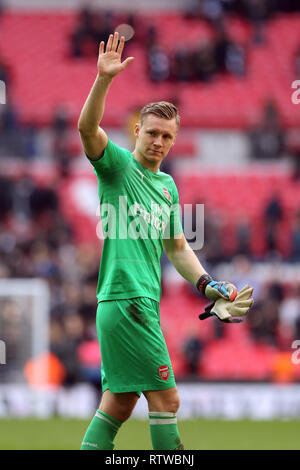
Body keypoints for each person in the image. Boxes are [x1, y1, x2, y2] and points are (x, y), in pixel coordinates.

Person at [78, 32, 241, 451]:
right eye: (151, 132)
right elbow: (86, 128)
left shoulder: (167, 185)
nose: (158, 142)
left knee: (118, 404)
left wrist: (208, 283)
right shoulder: (116, 167)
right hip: (125, 298)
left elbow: (177, 247)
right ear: (136, 130)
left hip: (137, 301)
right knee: (167, 399)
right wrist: (103, 80)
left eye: (167, 136)